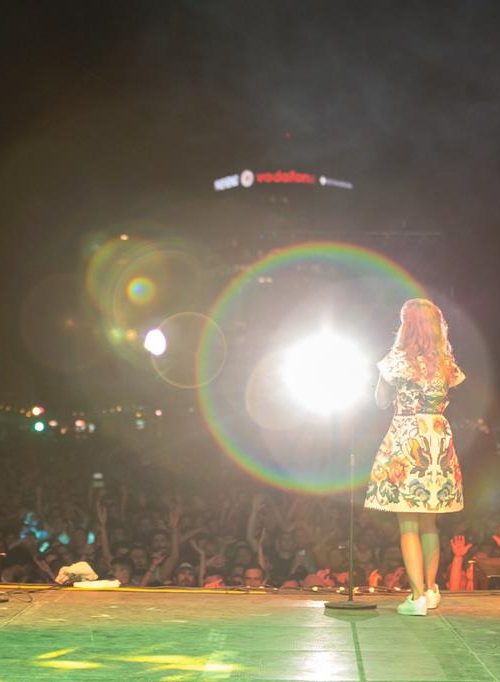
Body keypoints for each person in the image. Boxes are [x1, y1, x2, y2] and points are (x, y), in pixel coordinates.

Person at [364, 299, 465, 616]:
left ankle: (417, 596)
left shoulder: (396, 362)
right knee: (429, 522)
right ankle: (431, 589)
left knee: (407, 523)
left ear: (406, 325)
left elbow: (380, 402)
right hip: (438, 438)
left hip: (408, 437)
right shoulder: (445, 363)